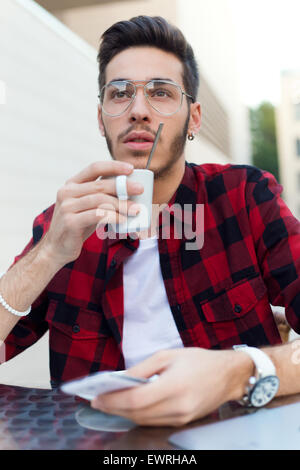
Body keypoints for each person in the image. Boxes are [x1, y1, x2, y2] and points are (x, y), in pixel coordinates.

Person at [0, 15, 300, 427]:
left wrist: (239, 373)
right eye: (119, 93)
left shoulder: (244, 198)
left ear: (193, 118)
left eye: (160, 92)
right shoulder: (62, 227)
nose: (138, 110)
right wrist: (48, 255)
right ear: (101, 117)